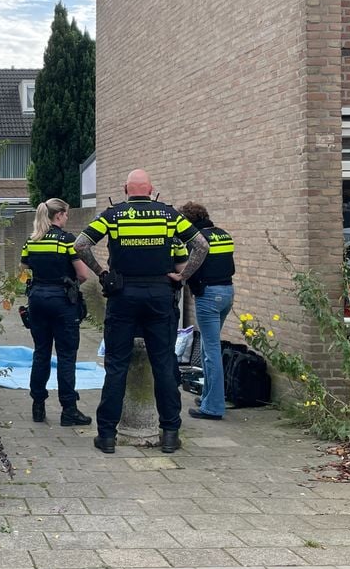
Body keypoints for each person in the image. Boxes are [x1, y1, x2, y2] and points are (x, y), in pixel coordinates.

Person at [74, 169, 210, 454]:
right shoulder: (169, 215)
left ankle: (107, 436)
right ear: (151, 190)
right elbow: (201, 245)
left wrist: (102, 272)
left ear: (126, 189)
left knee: (116, 365)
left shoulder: (114, 215)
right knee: (163, 364)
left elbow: (81, 244)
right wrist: (183, 276)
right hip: (160, 295)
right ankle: (170, 433)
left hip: (123, 295)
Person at [20, 198, 94, 426]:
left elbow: (23, 269)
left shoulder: (32, 241)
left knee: (41, 353)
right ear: (59, 215)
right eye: (67, 215)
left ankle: (38, 406)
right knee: (66, 356)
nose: (67, 218)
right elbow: (83, 275)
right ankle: (68, 410)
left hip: (38, 300)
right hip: (62, 302)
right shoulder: (67, 241)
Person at [171, 202, 235, 421]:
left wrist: (181, 277)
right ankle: (209, 396)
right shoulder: (223, 234)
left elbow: (191, 267)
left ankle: (213, 407)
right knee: (211, 347)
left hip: (208, 296)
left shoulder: (197, 239)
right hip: (227, 293)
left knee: (211, 351)